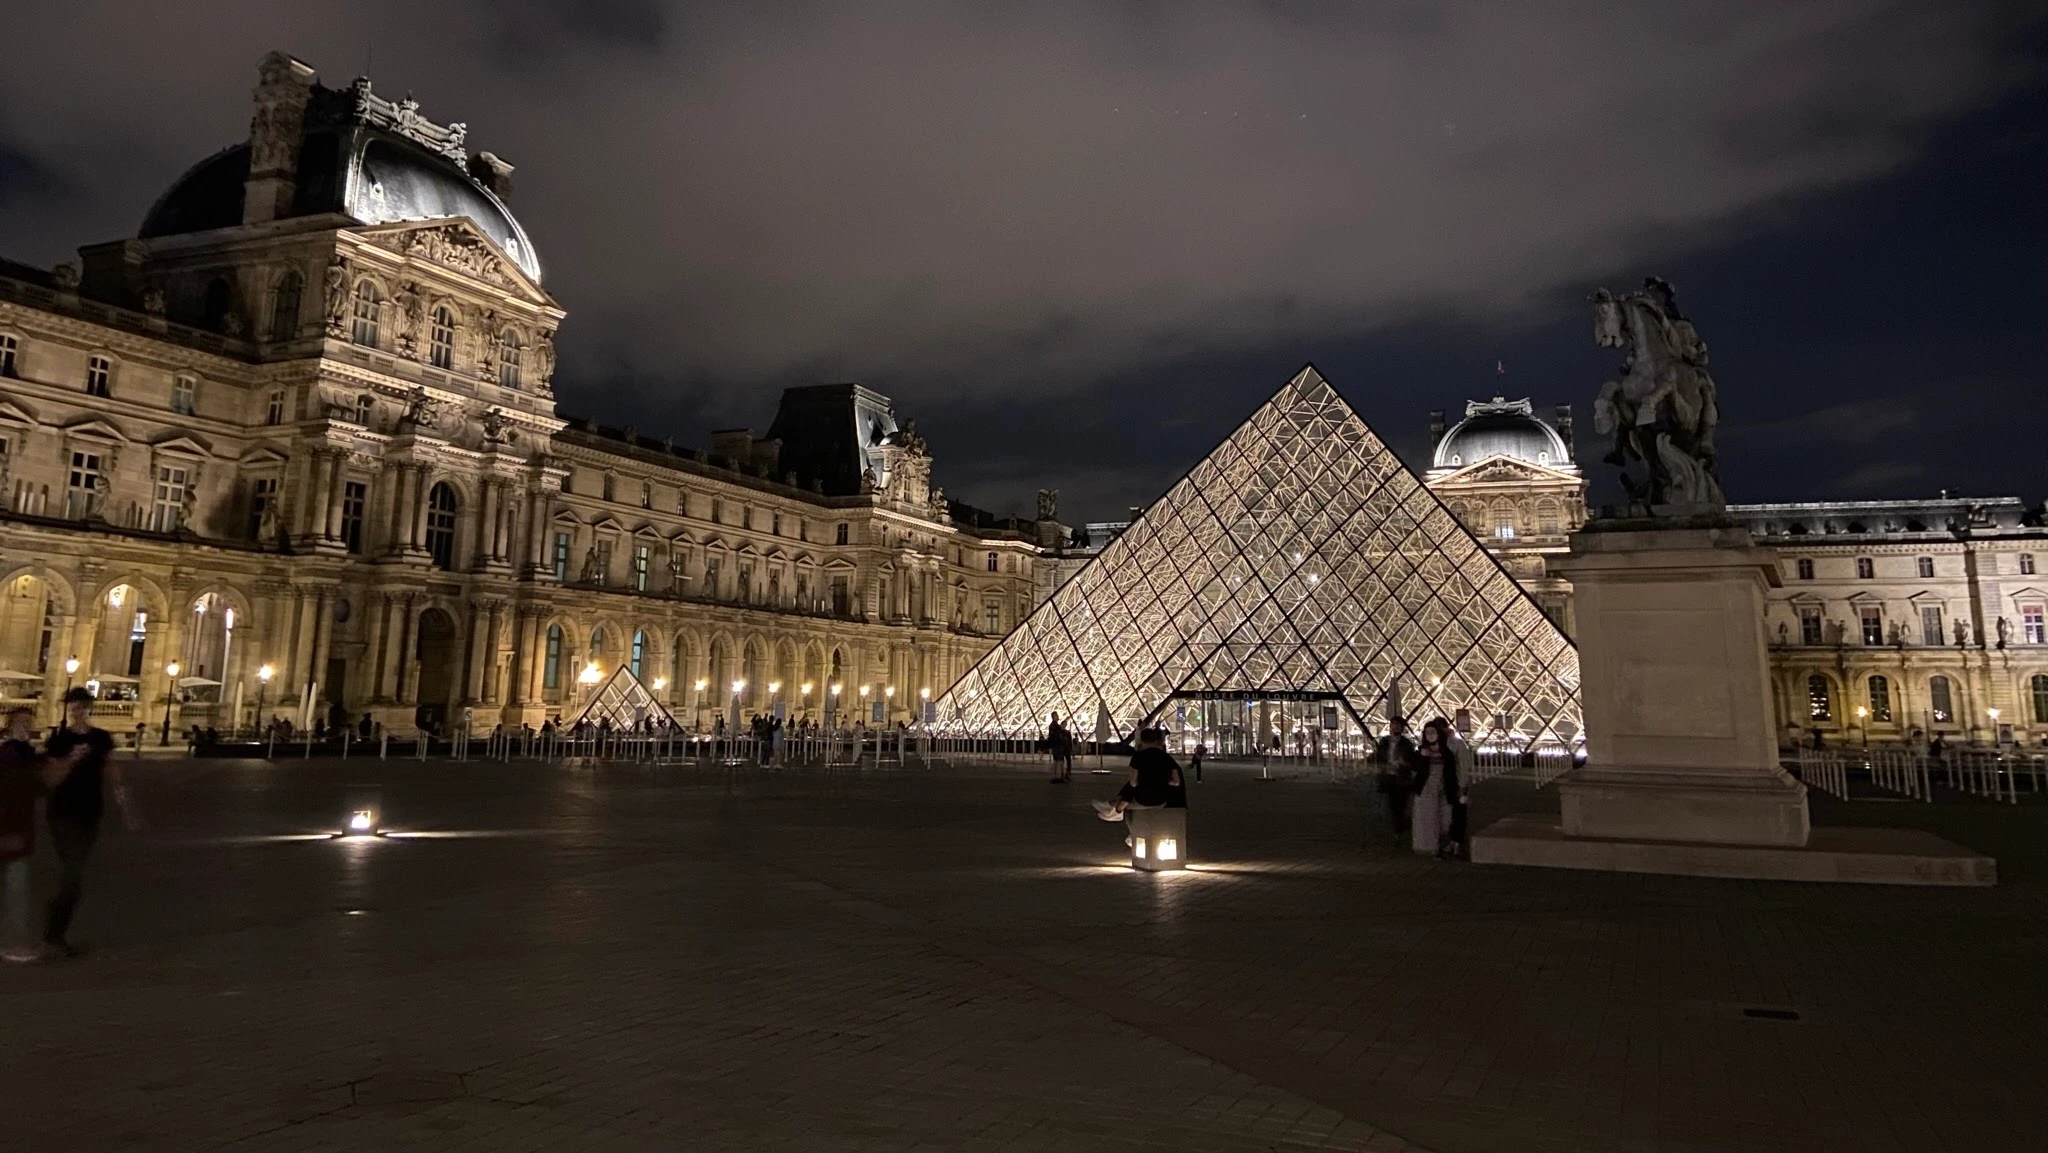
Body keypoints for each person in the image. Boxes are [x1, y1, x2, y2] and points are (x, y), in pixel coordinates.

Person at [44, 686, 133, 957]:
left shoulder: (101, 738)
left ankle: (55, 923)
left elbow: (112, 770)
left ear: (89, 708)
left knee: (75, 870)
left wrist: (125, 805)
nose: (77, 712)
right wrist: (71, 759)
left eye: (81, 707)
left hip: (90, 812)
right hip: (62, 813)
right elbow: (52, 779)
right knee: (73, 872)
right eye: (73, 708)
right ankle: (54, 933)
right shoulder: (59, 740)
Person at [1, 706, 50, 962]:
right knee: (16, 889)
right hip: (11, 830)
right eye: (21, 722)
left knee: (16, 888)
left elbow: (39, 789)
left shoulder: (26, 754)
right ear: (10, 726)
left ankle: (15, 942)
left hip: (20, 829)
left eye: (29, 722)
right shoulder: (9, 754)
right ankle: (15, 944)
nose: (26, 726)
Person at [1091, 728, 1182, 823]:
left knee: (1134, 786)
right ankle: (1112, 806)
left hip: (1143, 799)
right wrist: (1159, 781)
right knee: (1141, 782)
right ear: (1155, 740)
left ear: (1141, 740)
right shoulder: (1167, 757)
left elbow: (1133, 782)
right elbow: (1176, 782)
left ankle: (1116, 809)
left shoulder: (1139, 756)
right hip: (1162, 799)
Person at [1411, 718, 1460, 859]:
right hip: (1425, 790)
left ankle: (1441, 844)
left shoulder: (1447, 753)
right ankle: (1430, 848)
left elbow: (1452, 772)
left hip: (1443, 789)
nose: (1430, 735)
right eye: (1428, 733)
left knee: (1445, 819)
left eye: (1433, 732)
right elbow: (1415, 768)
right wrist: (1423, 757)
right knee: (1427, 819)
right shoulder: (1420, 752)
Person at [1372, 718, 1418, 844]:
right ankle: (1398, 827)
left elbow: (1412, 761)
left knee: (1400, 805)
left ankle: (1399, 829)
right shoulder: (1384, 742)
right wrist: (1380, 769)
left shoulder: (1407, 744)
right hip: (1388, 777)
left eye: (1398, 725)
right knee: (1391, 806)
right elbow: (1379, 757)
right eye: (1394, 725)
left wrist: (1404, 764)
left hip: (1401, 778)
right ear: (1390, 726)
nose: (1396, 727)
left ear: (1402, 728)